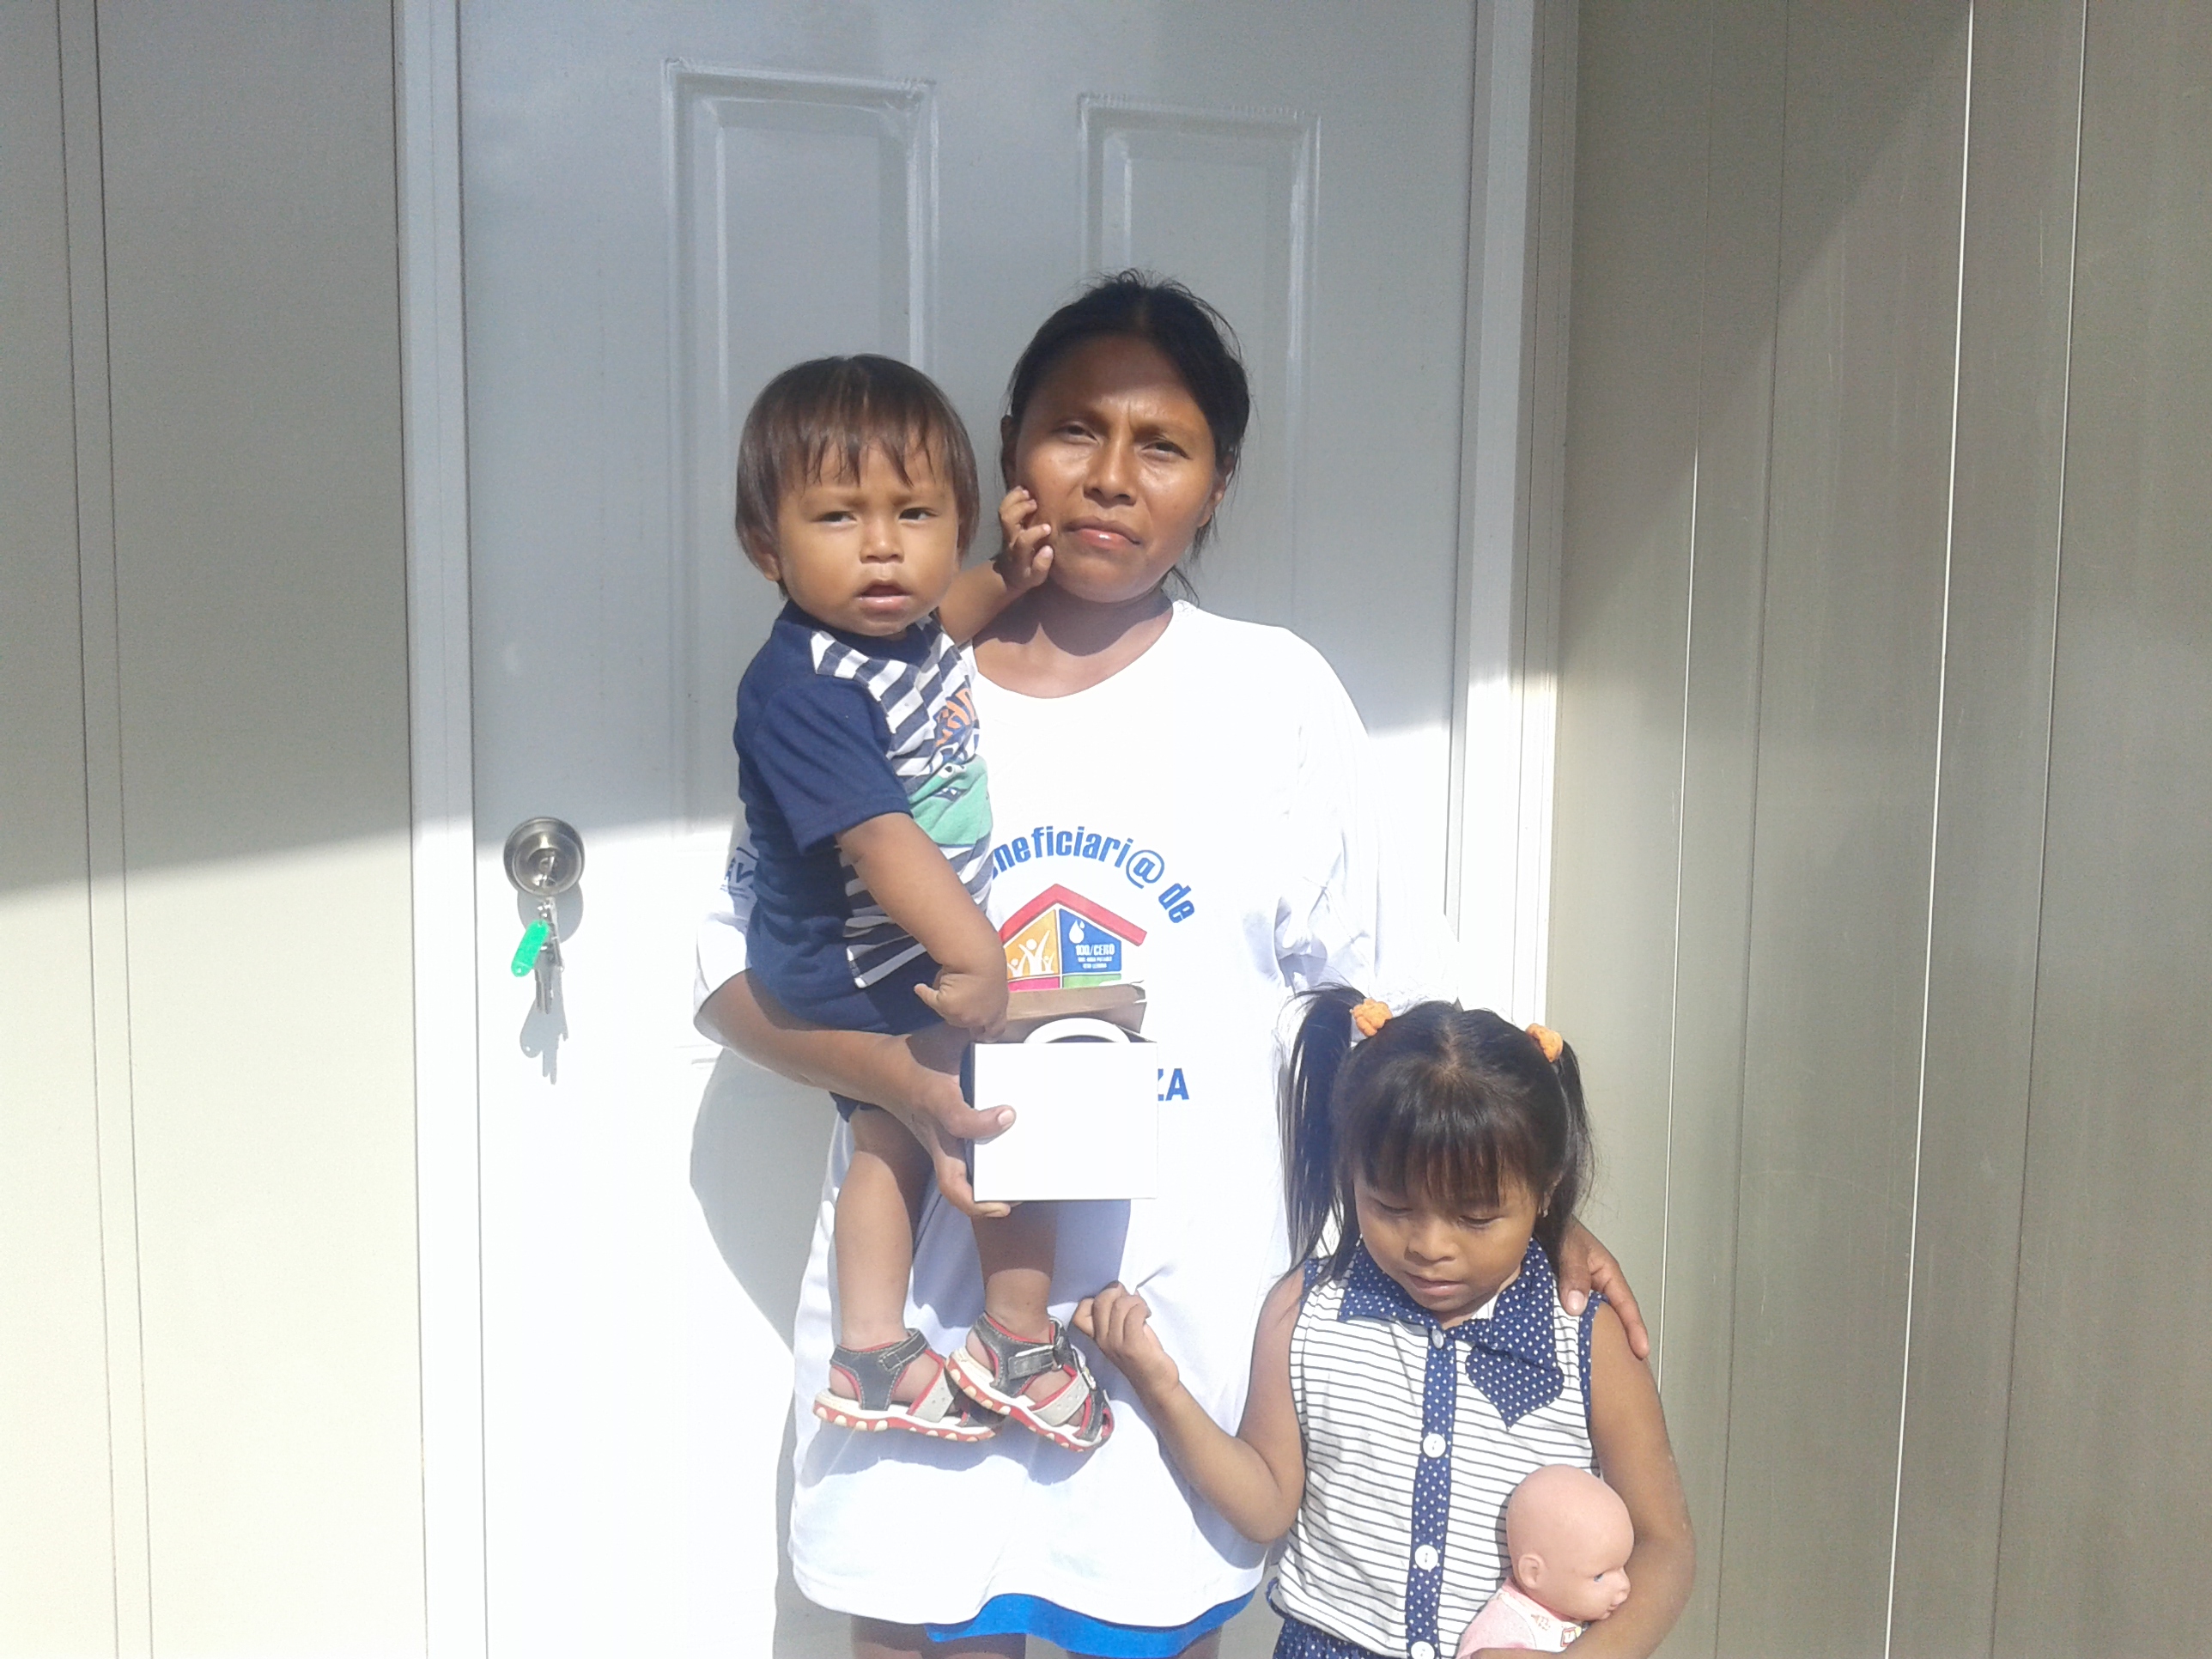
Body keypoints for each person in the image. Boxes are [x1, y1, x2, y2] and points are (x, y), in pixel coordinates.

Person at [696, 272, 1651, 1659]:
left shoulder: (1271, 695)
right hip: (921, 1334)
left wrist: (1535, 1208)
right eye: (1074, 430)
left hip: (1163, 1335)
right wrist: (906, 1086)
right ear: (1009, 449)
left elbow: (1407, 1000)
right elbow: (738, 982)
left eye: (1164, 445)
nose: (1111, 476)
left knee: (1144, 1623)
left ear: (1217, 484)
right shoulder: (874, 680)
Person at [1078, 994, 1692, 1659]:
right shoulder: (1303, 1312)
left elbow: (1664, 1545)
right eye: (1392, 1206)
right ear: (1351, 1173)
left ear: (1547, 1190)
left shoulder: (1587, 1338)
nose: (1430, 1245)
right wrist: (1162, 1390)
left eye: (1476, 1218)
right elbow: (1266, 1504)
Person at [729, 355, 1103, 1449]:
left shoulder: (895, 636)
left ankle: (874, 1350)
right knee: (1003, 1107)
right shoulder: (807, 690)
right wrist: (975, 956)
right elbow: (883, 844)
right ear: (765, 545)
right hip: (857, 955)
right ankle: (1015, 1338)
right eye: (838, 516)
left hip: (876, 945)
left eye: (914, 514)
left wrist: (1010, 577)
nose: (883, 546)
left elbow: (951, 623)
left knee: (890, 1141)